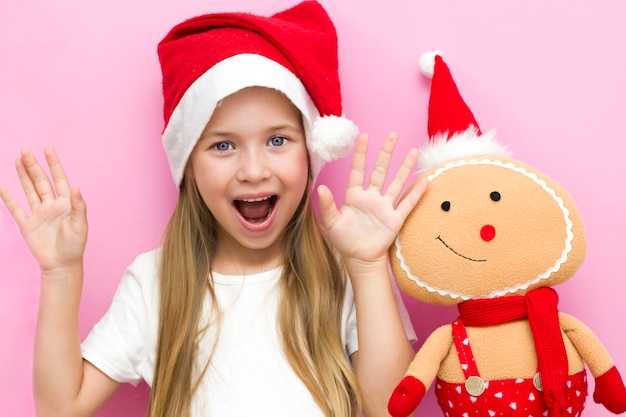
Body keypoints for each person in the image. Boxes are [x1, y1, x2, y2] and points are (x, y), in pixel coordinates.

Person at [0, 1, 427, 416]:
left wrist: (370, 267)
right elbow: (58, 408)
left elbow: (389, 407)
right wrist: (60, 275)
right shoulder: (155, 284)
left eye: (278, 140)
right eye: (223, 145)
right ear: (190, 168)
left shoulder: (347, 269)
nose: (254, 170)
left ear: (310, 153)